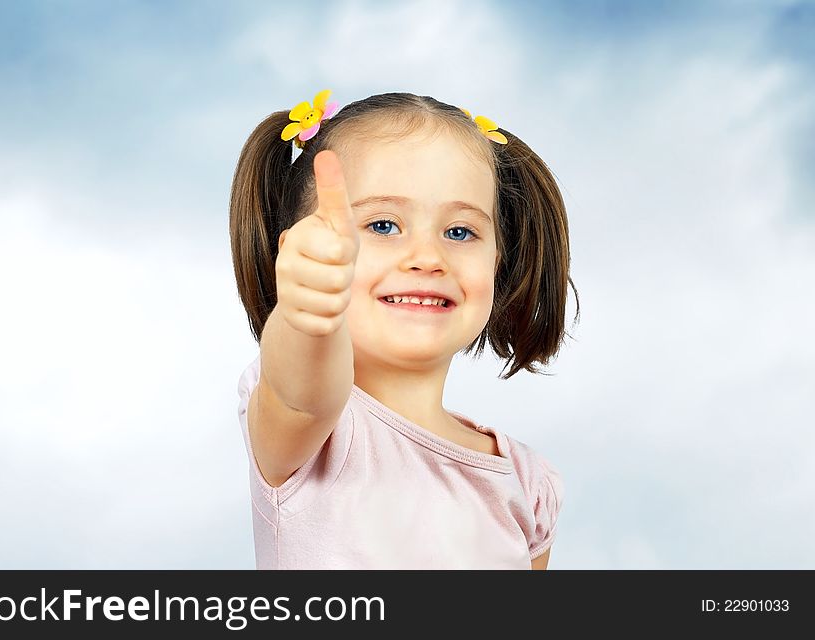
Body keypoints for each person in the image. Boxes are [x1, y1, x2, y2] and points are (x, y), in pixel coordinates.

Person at [228, 90, 579, 569]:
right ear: (301, 250)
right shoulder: (307, 428)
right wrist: (303, 311)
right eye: (383, 225)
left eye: (460, 232)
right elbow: (299, 390)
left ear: (497, 262)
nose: (428, 258)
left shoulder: (528, 482)